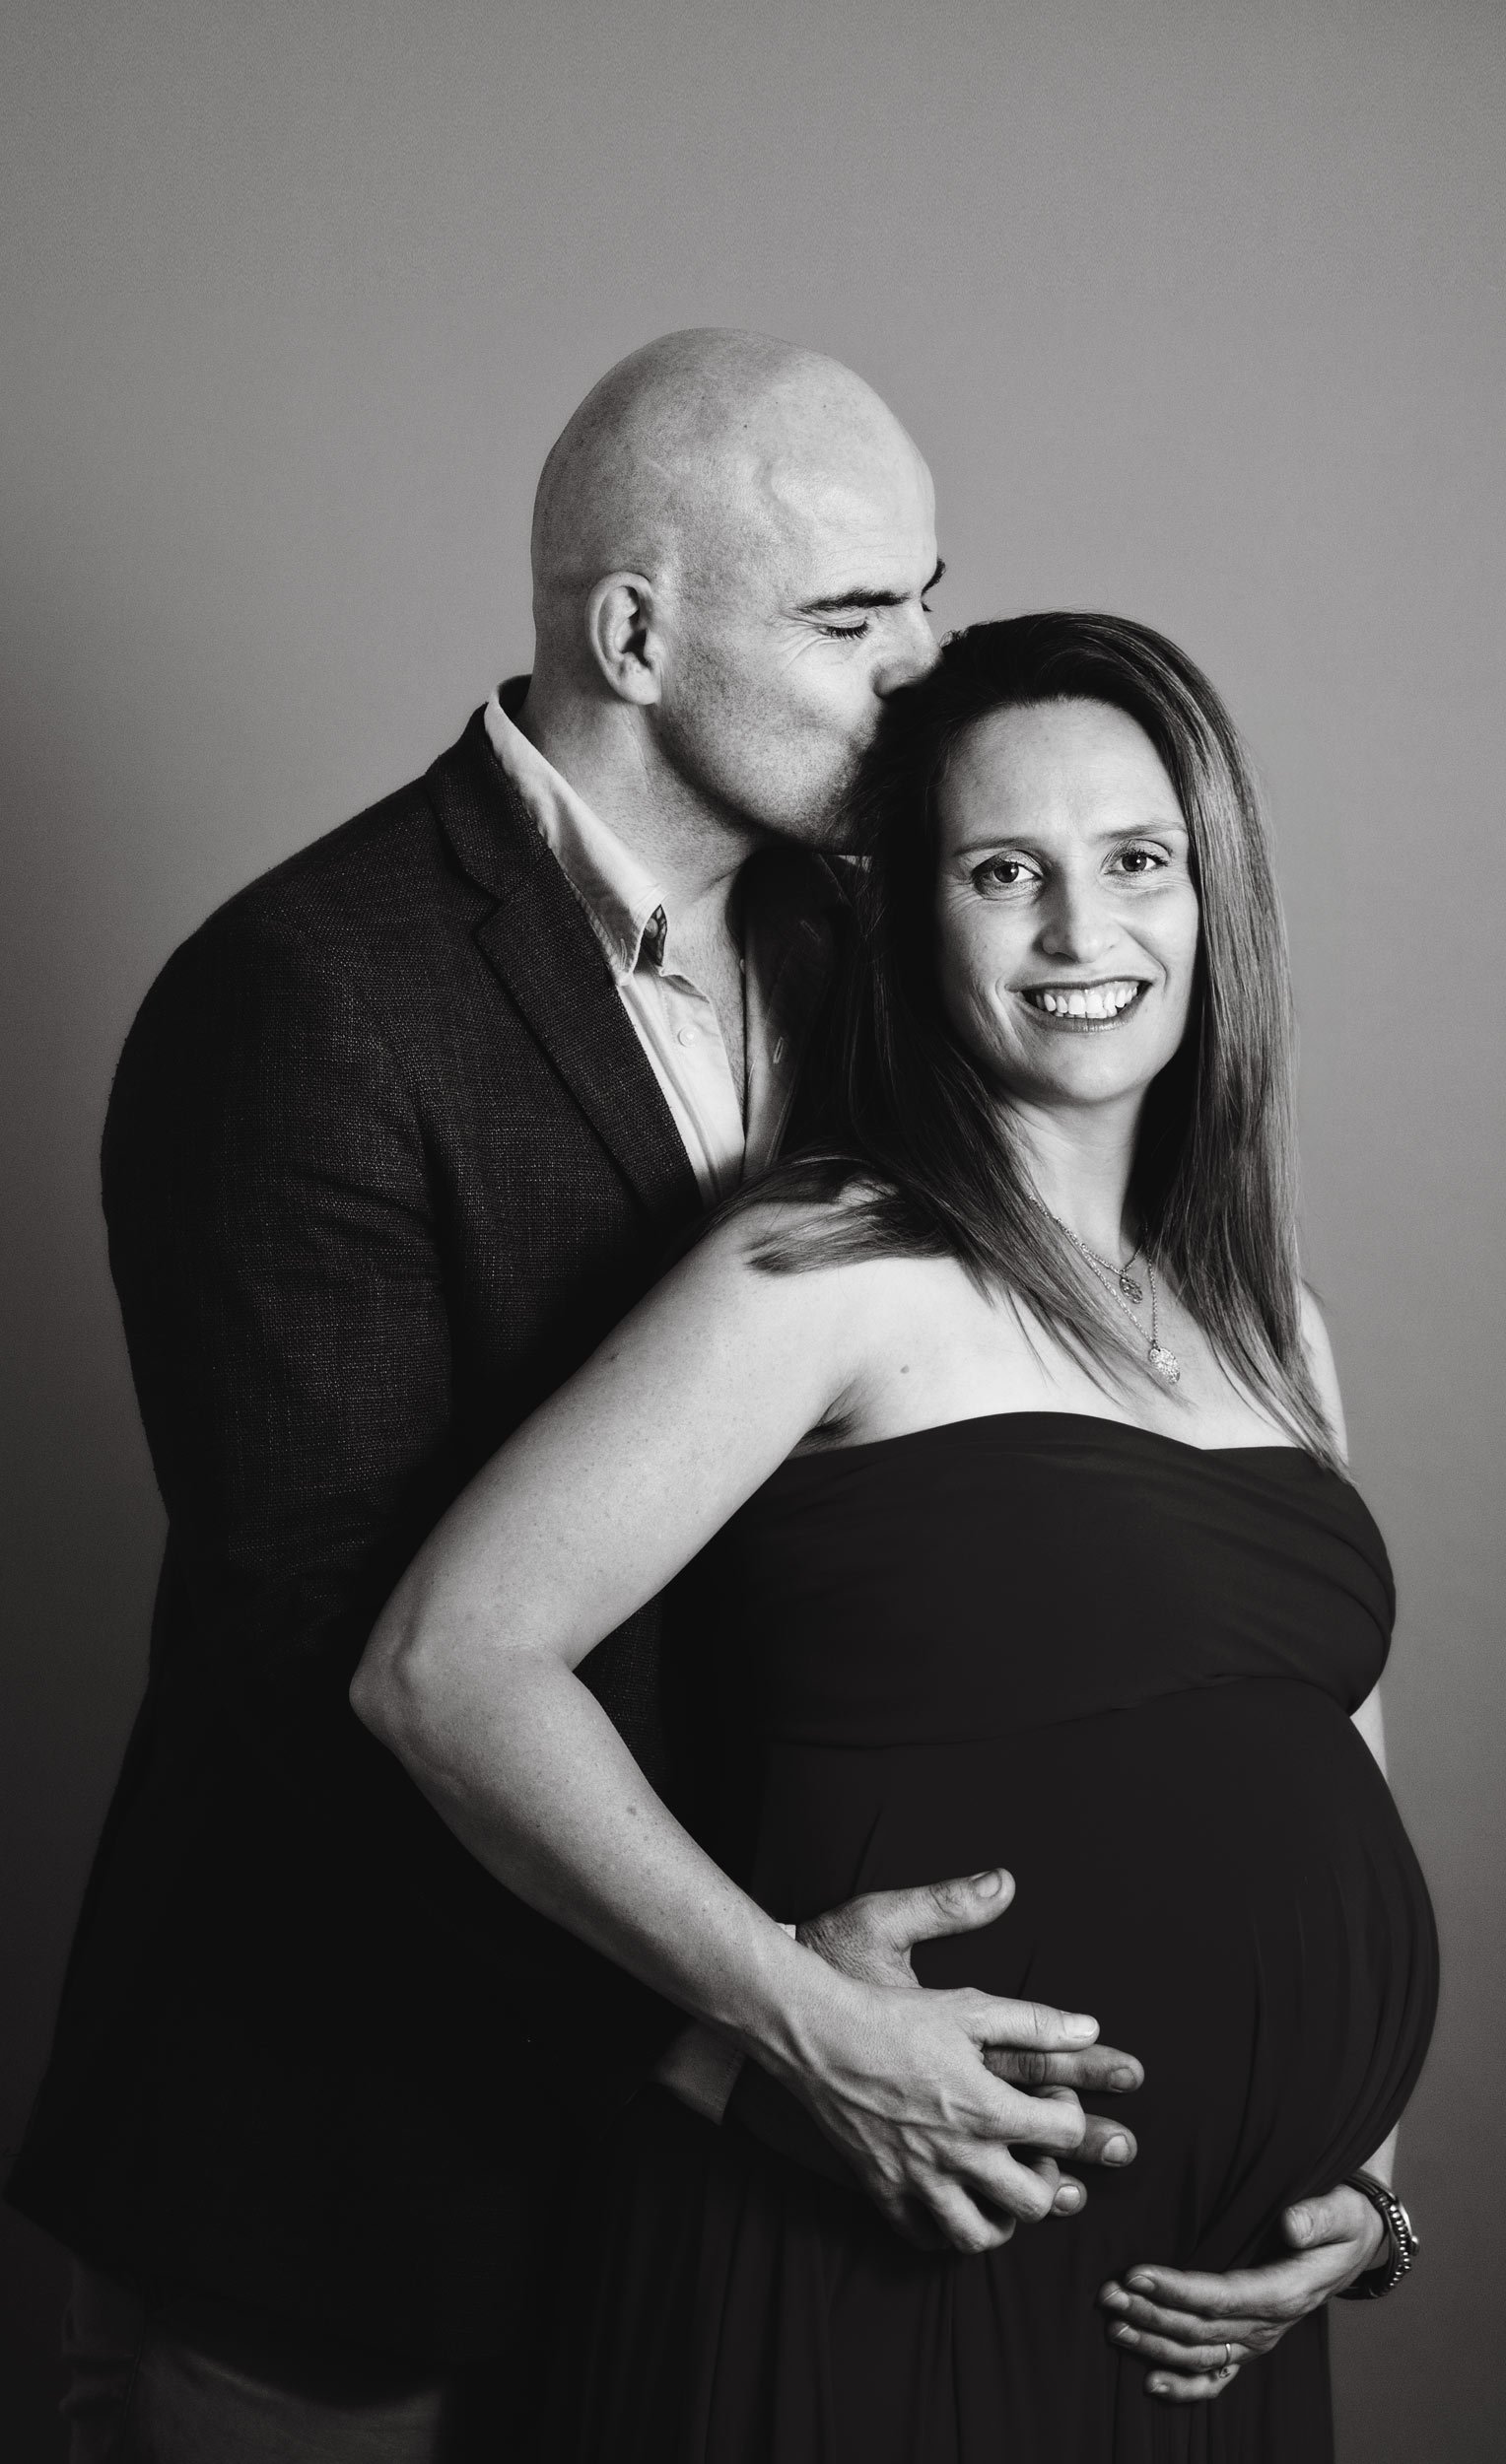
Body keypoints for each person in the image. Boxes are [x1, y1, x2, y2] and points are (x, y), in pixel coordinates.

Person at [7, 337, 1139, 2464]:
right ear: (633, 630)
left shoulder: (876, 949)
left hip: (751, 2191)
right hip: (342, 2169)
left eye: (928, 596)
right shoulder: (309, 996)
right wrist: (753, 2029)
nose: (924, 667)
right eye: (846, 616)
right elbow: (323, 1661)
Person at [353, 611, 1440, 2460]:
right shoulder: (829, 1260)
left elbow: (1321, 1731)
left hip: (1205, 2307)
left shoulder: (1272, 1319)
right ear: (911, 918)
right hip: (884, 2247)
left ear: (1213, 901)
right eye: (1004, 872)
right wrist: (797, 2022)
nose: (1083, 937)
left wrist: (1364, 2183)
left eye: (1137, 865)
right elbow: (445, 1666)